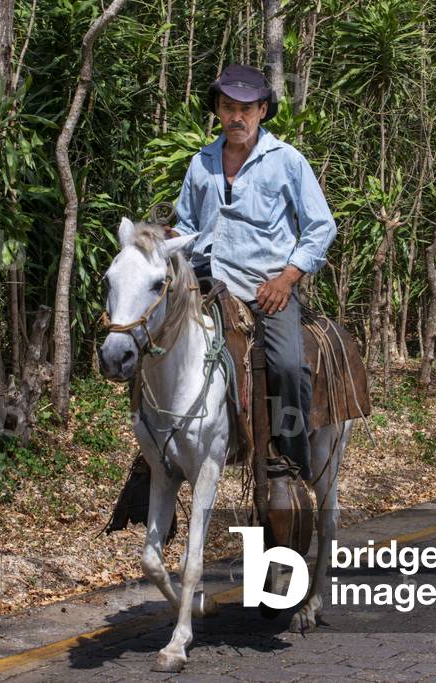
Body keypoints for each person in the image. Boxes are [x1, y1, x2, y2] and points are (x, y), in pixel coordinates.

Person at [166, 64, 337, 481]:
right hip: (207, 283)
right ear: (218, 111)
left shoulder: (287, 161)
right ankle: (159, 453)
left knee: (289, 365)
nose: (236, 117)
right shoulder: (200, 163)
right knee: (162, 346)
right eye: (228, 107)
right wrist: (168, 236)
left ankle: (290, 459)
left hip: (266, 286)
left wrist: (287, 278)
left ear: (262, 111)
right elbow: (187, 225)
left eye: (246, 108)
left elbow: (320, 226)